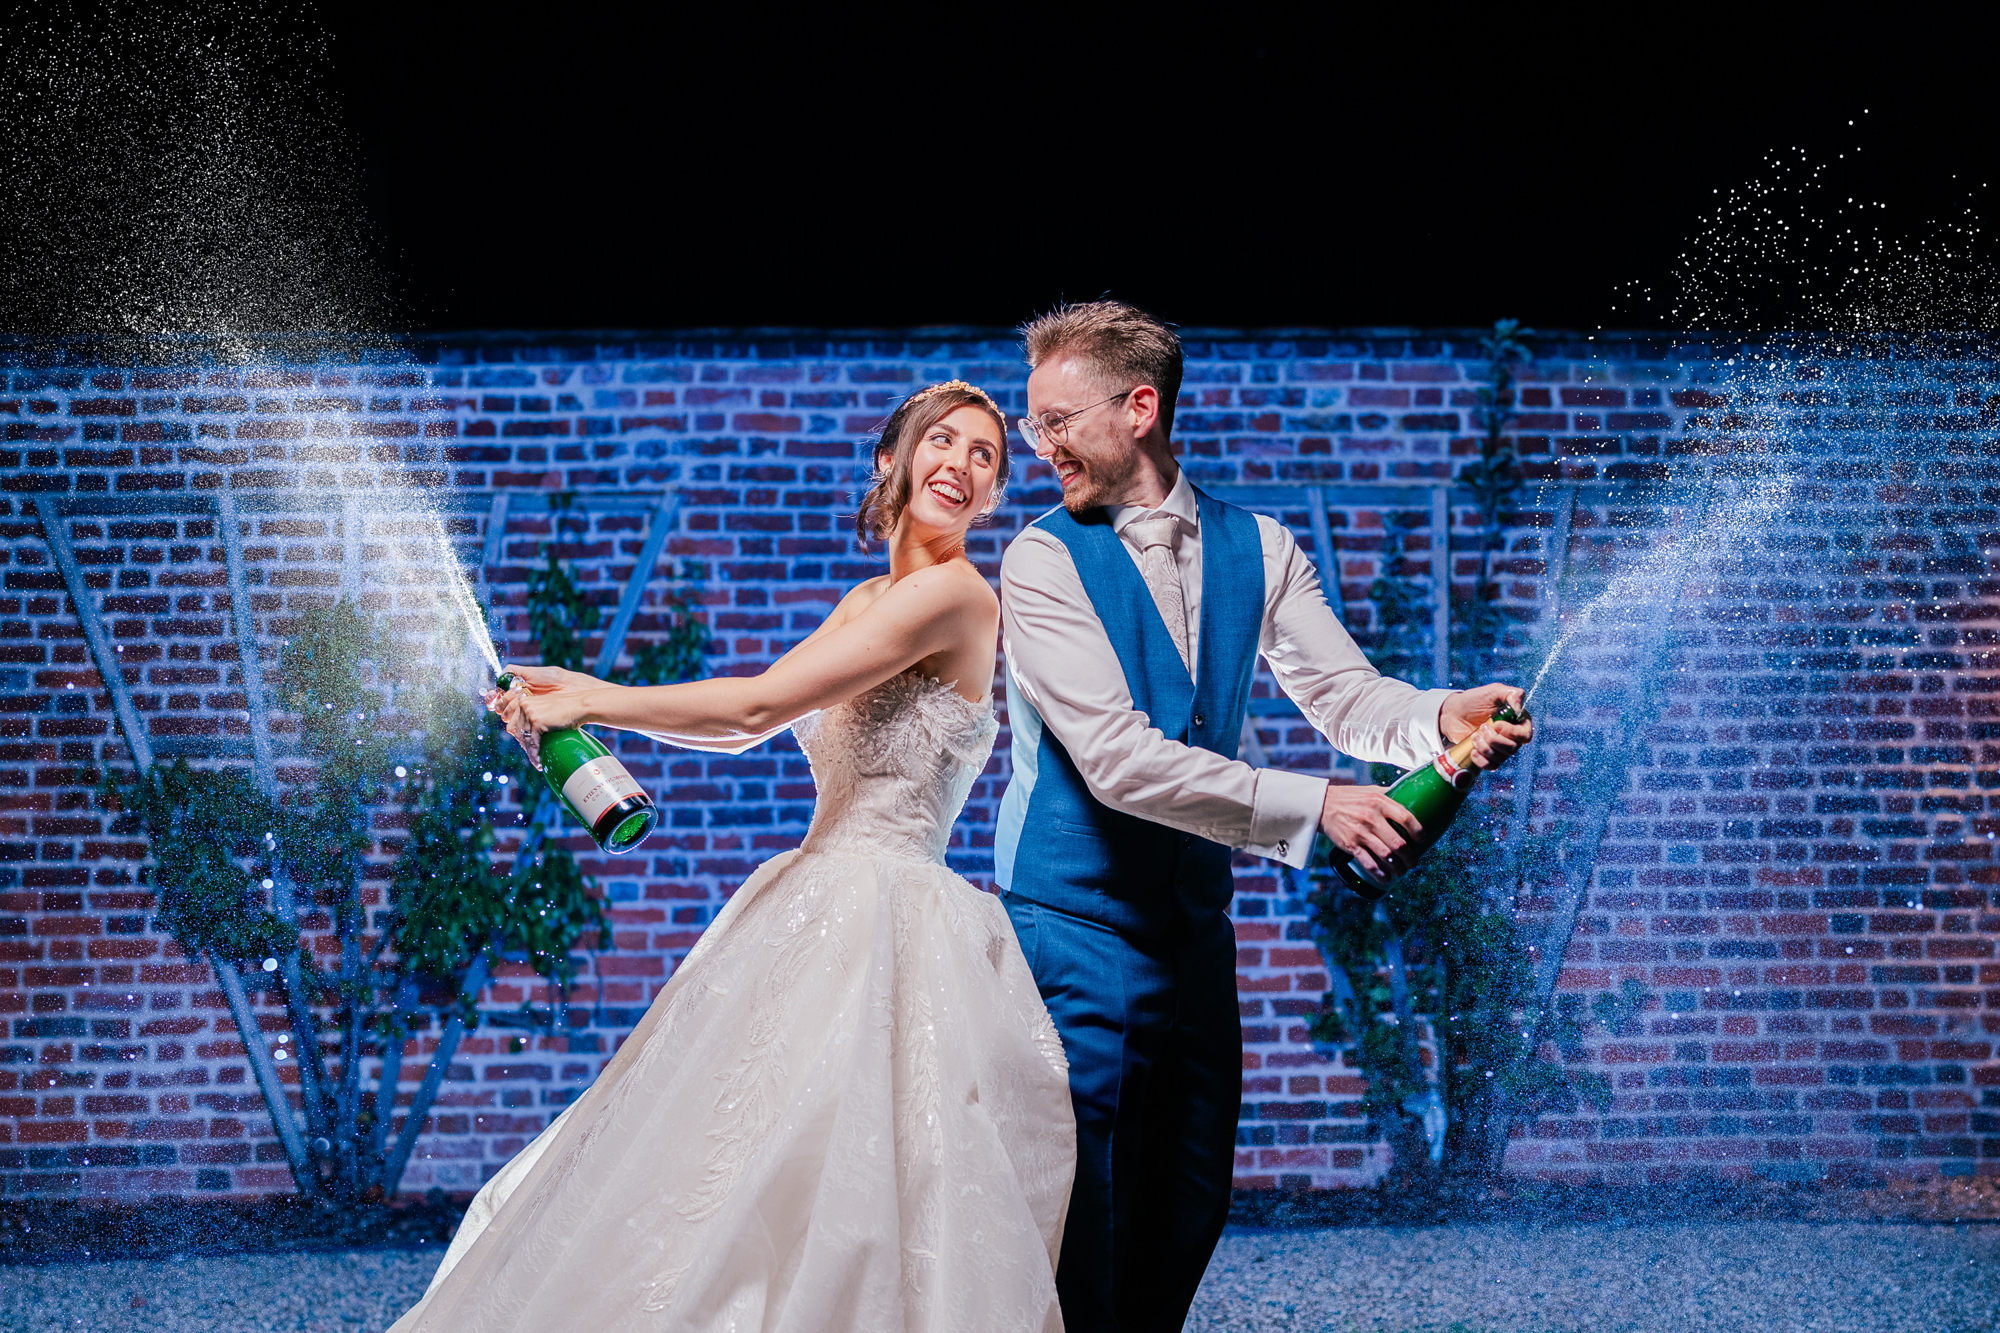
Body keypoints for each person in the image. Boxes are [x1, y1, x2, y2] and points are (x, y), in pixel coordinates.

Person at [389, 381, 1075, 1333]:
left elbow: (753, 703)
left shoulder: (957, 597)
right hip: (813, 894)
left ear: (995, 493)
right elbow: (753, 727)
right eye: (942, 441)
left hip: (890, 914)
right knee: (719, 1168)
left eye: (986, 456)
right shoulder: (867, 600)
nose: (961, 464)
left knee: (850, 1188)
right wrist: (574, 705)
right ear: (893, 459)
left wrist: (593, 696)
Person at [993, 300, 1533, 1333]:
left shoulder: (1262, 546)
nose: (1039, 445)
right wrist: (1316, 807)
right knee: (1080, 1202)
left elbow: (1344, 695)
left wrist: (1434, 716)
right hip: (1068, 925)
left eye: (1056, 420)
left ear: (1138, 408)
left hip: (1193, 926)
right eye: (1032, 424)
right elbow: (1115, 761)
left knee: (1190, 1192)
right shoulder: (1040, 561)